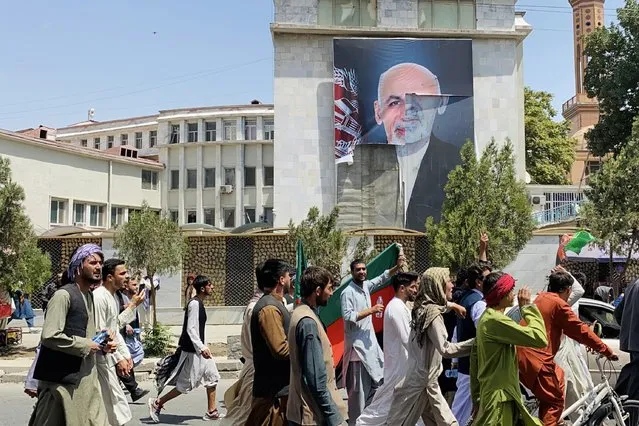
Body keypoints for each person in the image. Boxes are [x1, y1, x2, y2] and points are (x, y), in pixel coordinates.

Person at [517, 269, 617, 425]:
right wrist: (606, 350)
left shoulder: (542, 298)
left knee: (559, 377)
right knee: (556, 400)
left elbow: (575, 329)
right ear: (567, 290)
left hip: (526, 356)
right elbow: (580, 330)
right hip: (537, 359)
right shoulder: (559, 305)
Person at [30, 243, 113, 426]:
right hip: (61, 386)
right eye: (92, 262)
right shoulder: (63, 296)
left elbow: (87, 336)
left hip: (86, 381)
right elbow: (50, 335)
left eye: (100, 263)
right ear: (78, 265)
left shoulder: (89, 296)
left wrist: (102, 344)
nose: (98, 266)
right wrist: (85, 345)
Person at [373, 63, 461, 230]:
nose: (407, 112)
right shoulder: (361, 165)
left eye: (420, 100)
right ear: (378, 112)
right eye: (394, 103)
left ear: (441, 103)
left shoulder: (459, 163)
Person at [386, 267, 474, 425]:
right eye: (447, 281)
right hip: (424, 381)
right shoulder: (433, 315)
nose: (452, 284)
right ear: (437, 285)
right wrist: (477, 343)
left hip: (420, 379)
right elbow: (446, 349)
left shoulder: (420, 307)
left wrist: (452, 305)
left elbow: (434, 303)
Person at [470, 272, 547, 426]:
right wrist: (527, 308)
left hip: (499, 397)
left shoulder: (488, 317)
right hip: (500, 400)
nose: (514, 294)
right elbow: (540, 338)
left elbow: (475, 361)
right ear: (502, 294)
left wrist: (477, 398)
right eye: (511, 290)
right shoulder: (495, 320)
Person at [340, 251, 405, 425]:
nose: (362, 272)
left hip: (370, 349)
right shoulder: (348, 293)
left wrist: (397, 268)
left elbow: (382, 278)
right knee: (358, 395)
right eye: (358, 270)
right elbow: (348, 316)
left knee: (377, 387)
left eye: (364, 269)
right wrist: (372, 310)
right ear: (352, 272)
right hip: (357, 352)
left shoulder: (366, 286)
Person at [148, 275, 222, 422]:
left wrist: (204, 346)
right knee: (185, 385)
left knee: (212, 377)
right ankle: (157, 402)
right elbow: (191, 329)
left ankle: (211, 411)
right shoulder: (194, 304)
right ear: (202, 288)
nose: (212, 287)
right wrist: (201, 347)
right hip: (192, 351)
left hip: (200, 350)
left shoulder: (199, 303)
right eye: (210, 285)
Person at [287, 266, 348, 426]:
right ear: (318, 290)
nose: (332, 293)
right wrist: (335, 418)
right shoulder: (308, 323)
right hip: (312, 414)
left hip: (304, 410)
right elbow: (315, 379)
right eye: (329, 288)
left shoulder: (301, 312)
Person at [356, 272, 419, 426]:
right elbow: (407, 339)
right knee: (380, 411)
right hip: (398, 370)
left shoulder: (400, 306)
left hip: (404, 368)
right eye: (413, 287)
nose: (416, 290)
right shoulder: (396, 308)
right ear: (402, 288)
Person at [246, 259, 293, 426]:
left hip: (277, 392)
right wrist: (303, 348)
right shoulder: (269, 308)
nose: (290, 280)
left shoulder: (275, 305)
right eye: (288, 276)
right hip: (272, 397)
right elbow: (280, 349)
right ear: (281, 279)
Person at [93, 258, 138, 425]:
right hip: (101, 360)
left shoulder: (112, 297)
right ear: (110, 277)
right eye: (123, 273)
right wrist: (118, 358)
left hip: (110, 359)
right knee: (114, 407)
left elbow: (115, 327)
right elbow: (101, 333)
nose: (126, 277)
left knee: (113, 407)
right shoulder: (99, 297)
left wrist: (125, 356)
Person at [450, 262, 491, 426]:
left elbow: (455, 332)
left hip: (466, 365)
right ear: (479, 282)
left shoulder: (467, 298)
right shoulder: (478, 303)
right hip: (471, 368)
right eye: (488, 278)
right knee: (461, 414)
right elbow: (487, 333)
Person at [220, 287, 263, 426]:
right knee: (244, 414)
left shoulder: (260, 305)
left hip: (255, 367)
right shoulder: (255, 308)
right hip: (255, 369)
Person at [115, 275, 148, 402]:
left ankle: (134, 389)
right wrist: (128, 307)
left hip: (120, 333)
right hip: (114, 335)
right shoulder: (108, 295)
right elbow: (113, 316)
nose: (136, 287)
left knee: (126, 360)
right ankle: (133, 389)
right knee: (121, 361)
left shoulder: (119, 295)